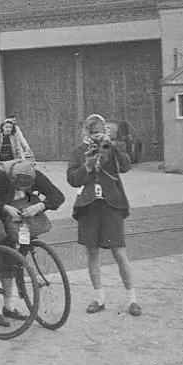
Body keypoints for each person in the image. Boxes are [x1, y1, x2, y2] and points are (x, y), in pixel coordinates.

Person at [0, 159, 65, 327]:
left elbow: (58, 196)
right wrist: (4, 207)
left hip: (21, 223)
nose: (22, 191)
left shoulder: (36, 175)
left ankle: (9, 306)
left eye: (26, 188)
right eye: (18, 188)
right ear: (12, 179)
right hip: (0, 221)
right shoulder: (1, 176)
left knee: (14, 263)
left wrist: (40, 206)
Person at [68, 113, 140, 317]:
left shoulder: (113, 146)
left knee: (119, 251)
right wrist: (88, 165)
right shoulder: (78, 152)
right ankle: (99, 298)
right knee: (92, 252)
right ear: (85, 133)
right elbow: (73, 179)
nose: (94, 136)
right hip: (89, 205)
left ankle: (132, 300)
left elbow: (126, 167)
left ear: (104, 131)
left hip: (111, 204)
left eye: (98, 132)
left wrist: (113, 146)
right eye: (91, 133)